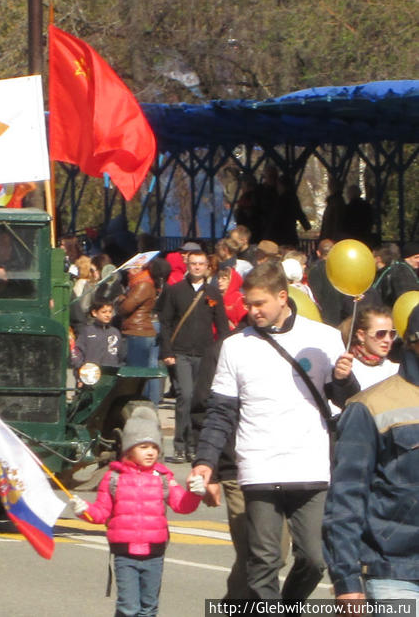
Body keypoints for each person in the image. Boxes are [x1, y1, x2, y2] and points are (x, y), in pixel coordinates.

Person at [190, 260, 359, 601]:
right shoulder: (235, 346)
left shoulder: (322, 337)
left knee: (314, 559)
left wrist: (342, 379)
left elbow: (345, 402)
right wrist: (205, 460)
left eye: (259, 303)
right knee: (264, 561)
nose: (252, 311)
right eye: (248, 304)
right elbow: (220, 412)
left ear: (283, 297)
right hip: (259, 466)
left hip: (309, 465)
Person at [323, 303, 419, 608]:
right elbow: (346, 498)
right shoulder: (370, 406)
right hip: (395, 571)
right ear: (415, 342)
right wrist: (347, 581)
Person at [70, 406, 202, 617]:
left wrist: (195, 494)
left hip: (154, 552)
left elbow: (181, 505)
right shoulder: (114, 477)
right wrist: (84, 511)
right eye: (143, 446)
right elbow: (102, 512)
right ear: (129, 449)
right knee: (128, 607)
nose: (150, 452)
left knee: (149, 608)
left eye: (154, 447)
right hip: (124, 554)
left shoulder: (162, 477)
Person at [159, 249, 229, 463]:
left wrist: (223, 352)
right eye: (193, 263)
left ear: (208, 267)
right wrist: (167, 352)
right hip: (181, 352)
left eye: (201, 263)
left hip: (205, 353)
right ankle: (180, 444)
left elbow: (222, 325)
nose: (197, 267)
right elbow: (166, 323)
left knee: (201, 400)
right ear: (187, 265)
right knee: (185, 396)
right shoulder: (175, 291)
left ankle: (195, 445)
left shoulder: (213, 293)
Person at [114, 262, 160, 405]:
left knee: (137, 374)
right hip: (138, 331)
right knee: (143, 371)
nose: (130, 272)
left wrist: (121, 299)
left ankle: (141, 403)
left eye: (135, 268)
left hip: (139, 331)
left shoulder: (142, 285)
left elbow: (126, 308)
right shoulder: (137, 284)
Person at [345, 305, 399, 390]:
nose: (388, 340)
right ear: (361, 335)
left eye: (392, 334)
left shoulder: (397, 370)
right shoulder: (346, 367)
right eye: (380, 334)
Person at [308, 239, 351, 327]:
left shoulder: (314, 270)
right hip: (343, 318)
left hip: (322, 318)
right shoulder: (345, 268)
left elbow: (314, 296)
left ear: (318, 253)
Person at [71, 300, 123, 371]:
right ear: (94, 313)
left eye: (110, 312)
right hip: (91, 373)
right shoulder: (87, 331)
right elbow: (77, 352)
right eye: (104, 312)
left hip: (110, 373)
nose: (108, 315)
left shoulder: (115, 332)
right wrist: (81, 369)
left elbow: (121, 355)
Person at [372, 243, 419, 309]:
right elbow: (405, 298)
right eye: (416, 257)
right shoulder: (402, 271)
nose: (418, 260)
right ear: (406, 258)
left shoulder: (408, 269)